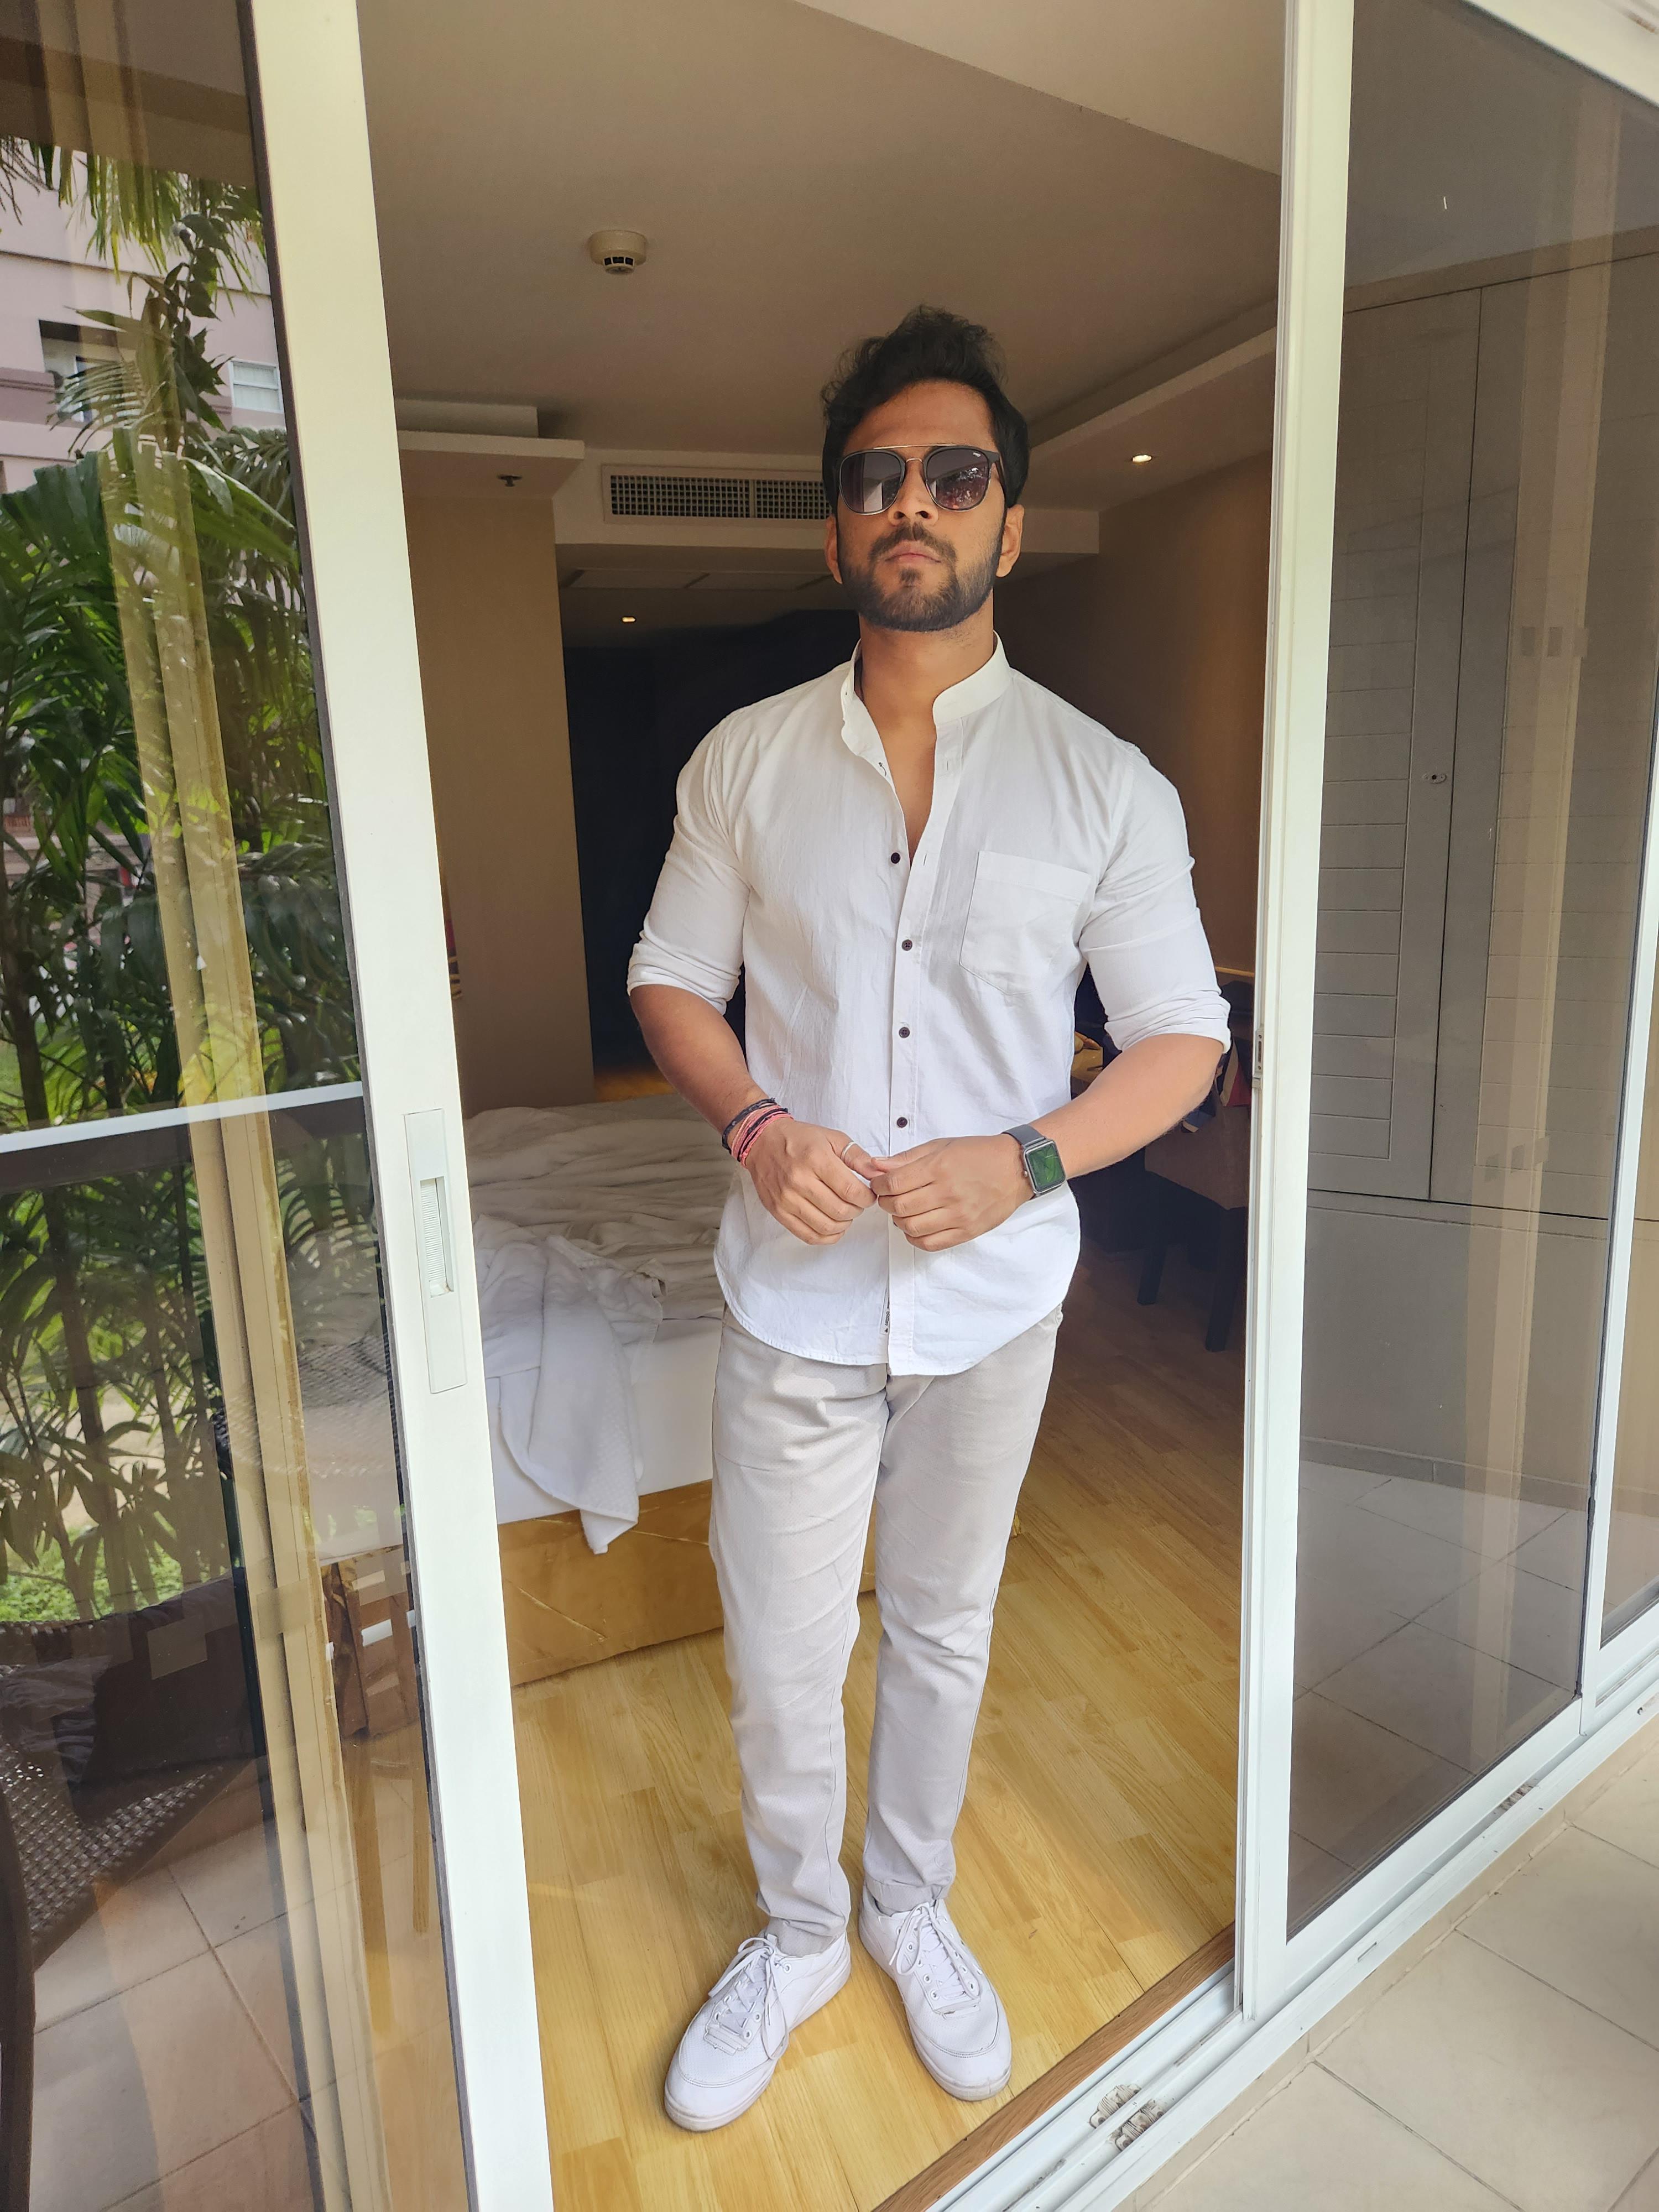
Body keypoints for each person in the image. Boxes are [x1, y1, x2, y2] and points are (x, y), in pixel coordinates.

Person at [628, 306, 1230, 2133]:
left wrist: (1029, 1158)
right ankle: (801, 1930)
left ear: (1008, 525)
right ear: (838, 526)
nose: (915, 502)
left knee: (946, 1631)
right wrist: (752, 1124)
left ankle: (908, 1905)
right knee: (781, 1650)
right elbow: (670, 982)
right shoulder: (742, 762)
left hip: (994, 1308)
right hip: (792, 1296)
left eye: (954, 476)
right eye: (878, 476)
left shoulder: (1105, 784)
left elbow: (1184, 1041)